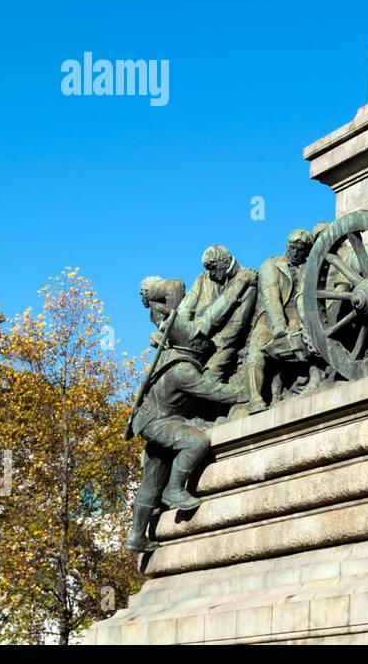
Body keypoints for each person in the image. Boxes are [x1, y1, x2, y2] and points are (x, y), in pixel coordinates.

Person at [124, 280, 253, 553]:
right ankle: (175, 489)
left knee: (151, 479)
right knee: (196, 442)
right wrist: (245, 392)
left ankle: (136, 535)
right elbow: (212, 391)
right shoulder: (183, 370)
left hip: (149, 421)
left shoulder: (165, 359)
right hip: (158, 421)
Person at [246, 229, 322, 414]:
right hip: (268, 320)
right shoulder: (271, 265)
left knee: (308, 338)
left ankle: (314, 377)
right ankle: (255, 398)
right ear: (287, 245)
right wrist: (280, 327)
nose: (295, 253)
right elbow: (272, 296)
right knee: (257, 349)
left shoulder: (308, 267)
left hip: (297, 316)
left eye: (300, 250)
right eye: (292, 248)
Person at [175, 245, 258, 382]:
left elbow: (237, 325)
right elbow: (184, 309)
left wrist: (211, 344)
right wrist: (180, 329)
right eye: (208, 269)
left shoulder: (247, 279)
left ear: (225, 261)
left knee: (208, 380)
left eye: (212, 267)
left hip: (222, 345)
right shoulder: (203, 279)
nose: (210, 273)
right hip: (194, 340)